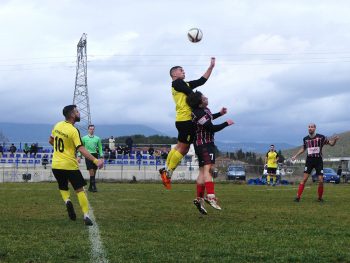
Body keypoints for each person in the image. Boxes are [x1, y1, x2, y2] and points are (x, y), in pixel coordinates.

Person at [159, 57, 216, 189]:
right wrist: (201, 101)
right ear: (174, 74)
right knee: (183, 149)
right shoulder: (177, 83)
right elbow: (191, 95)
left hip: (181, 120)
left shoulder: (184, 84)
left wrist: (211, 67)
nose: (183, 71)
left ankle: (166, 169)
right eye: (181, 70)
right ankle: (168, 172)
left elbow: (201, 81)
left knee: (179, 147)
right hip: (186, 120)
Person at [49, 105, 103, 226]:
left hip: (56, 165)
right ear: (72, 115)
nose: (79, 113)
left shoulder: (57, 125)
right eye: (77, 111)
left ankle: (67, 201)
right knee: (80, 190)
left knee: (63, 187)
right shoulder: (74, 130)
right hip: (69, 165)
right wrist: (95, 160)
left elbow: (51, 140)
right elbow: (81, 148)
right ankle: (86, 216)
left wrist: (61, 151)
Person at [187, 91, 234, 214]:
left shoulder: (205, 110)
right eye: (203, 97)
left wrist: (220, 113)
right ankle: (211, 196)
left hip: (203, 144)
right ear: (199, 102)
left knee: (203, 171)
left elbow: (210, 117)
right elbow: (211, 128)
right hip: (204, 144)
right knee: (208, 169)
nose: (206, 98)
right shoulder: (197, 113)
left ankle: (199, 198)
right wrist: (226, 123)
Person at [292, 123, 339, 202]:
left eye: (312, 127)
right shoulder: (305, 139)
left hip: (318, 161)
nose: (310, 128)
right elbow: (303, 148)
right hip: (309, 161)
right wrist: (295, 155)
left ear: (315, 128)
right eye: (309, 127)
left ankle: (320, 198)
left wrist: (334, 141)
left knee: (321, 180)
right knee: (304, 179)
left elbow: (331, 144)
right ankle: (298, 197)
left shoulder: (321, 137)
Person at [77, 124, 103, 193]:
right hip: (88, 155)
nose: (92, 130)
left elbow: (100, 148)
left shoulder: (97, 138)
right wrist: (79, 155)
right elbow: (81, 148)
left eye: (93, 129)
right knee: (91, 170)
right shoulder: (84, 138)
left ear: (94, 130)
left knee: (94, 171)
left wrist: (101, 156)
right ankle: (94, 186)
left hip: (95, 155)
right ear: (88, 130)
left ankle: (90, 187)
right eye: (90, 129)